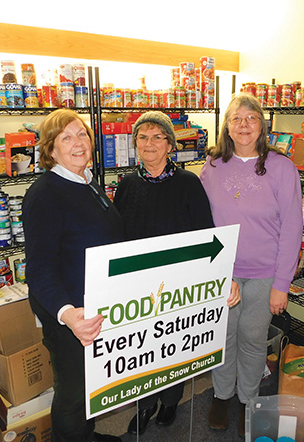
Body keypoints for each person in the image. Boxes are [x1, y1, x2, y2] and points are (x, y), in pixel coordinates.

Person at [200, 93, 303, 437]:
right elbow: (203, 221)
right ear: (227, 127)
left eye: (251, 118)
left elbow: (292, 227)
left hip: (264, 274)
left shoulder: (282, 167)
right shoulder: (212, 166)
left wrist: (282, 285)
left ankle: (248, 397)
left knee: (253, 338)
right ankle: (221, 395)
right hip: (222, 272)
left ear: (262, 125)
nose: (243, 124)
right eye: (236, 118)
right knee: (222, 337)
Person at [23, 109, 124, 442]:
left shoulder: (87, 182)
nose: (78, 143)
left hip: (94, 306)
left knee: (90, 385)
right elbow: (39, 268)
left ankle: (86, 435)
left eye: (82, 134)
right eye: (66, 138)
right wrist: (68, 315)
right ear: (51, 150)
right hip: (70, 314)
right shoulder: (45, 194)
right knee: (73, 392)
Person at [114, 111, 215, 435]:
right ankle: (145, 404)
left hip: (177, 283)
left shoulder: (188, 183)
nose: (150, 143)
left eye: (158, 137)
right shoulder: (127, 185)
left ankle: (171, 400)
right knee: (141, 346)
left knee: (173, 343)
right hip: (138, 283)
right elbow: (117, 235)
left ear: (170, 145)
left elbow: (205, 232)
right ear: (135, 144)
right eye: (143, 137)